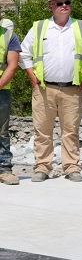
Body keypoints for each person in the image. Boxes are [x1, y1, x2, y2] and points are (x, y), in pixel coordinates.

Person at [21, 0, 82, 183]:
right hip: (45, 88)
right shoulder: (39, 28)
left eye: (67, 2)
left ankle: (71, 166)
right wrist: (32, 78)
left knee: (71, 130)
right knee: (42, 130)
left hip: (73, 89)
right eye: (60, 3)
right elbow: (23, 53)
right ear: (51, 7)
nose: (65, 6)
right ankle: (42, 167)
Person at [0, 18, 22, 185]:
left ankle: (4, 169)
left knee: (2, 132)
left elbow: (12, 65)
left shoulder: (9, 36)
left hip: (2, 91)